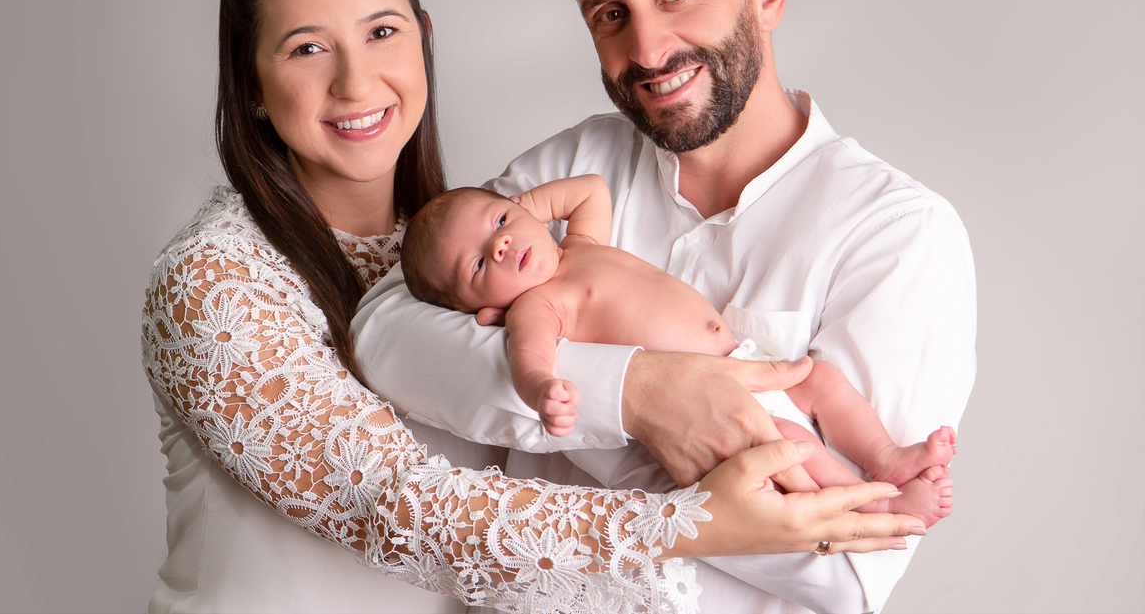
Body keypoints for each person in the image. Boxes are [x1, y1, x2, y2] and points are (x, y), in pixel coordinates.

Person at [141, 0, 923, 614]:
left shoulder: (460, 241)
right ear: (251, 83)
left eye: (381, 32)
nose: (355, 81)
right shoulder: (213, 278)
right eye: (307, 48)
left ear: (424, 38)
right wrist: (687, 505)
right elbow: (394, 508)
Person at [351, 0, 977, 614]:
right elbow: (385, 334)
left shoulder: (898, 232)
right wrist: (637, 396)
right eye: (609, 15)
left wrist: (615, 416)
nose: (646, 50)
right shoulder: (574, 162)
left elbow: (848, 567)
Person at [399, 176, 955, 531]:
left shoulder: (579, 245)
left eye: (500, 223)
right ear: (478, 309)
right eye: (478, 264)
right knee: (790, 444)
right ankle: (876, 504)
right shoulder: (537, 306)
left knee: (823, 379)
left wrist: (525, 206)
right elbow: (529, 358)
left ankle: (885, 456)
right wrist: (544, 389)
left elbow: (591, 190)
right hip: (715, 402)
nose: (500, 244)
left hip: (744, 358)